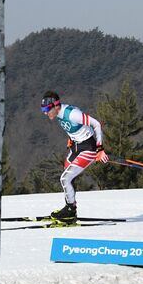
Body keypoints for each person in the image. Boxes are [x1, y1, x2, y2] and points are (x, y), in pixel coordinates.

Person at [41, 90, 108, 222]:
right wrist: (72, 138)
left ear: (56, 105)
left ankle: (70, 210)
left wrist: (100, 149)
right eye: (43, 109)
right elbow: (74, 128)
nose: (45, 112)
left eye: (47, 108)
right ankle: (70, 207)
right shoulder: (58, 114)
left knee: (64, 179)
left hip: (88, 148)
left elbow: (96, 124)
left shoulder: (72, 114)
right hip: (76, 147)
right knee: (67, 174)